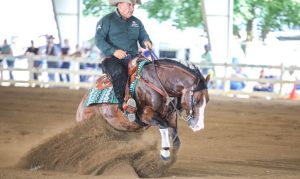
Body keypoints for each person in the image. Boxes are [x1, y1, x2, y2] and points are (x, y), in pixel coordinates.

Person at [95, 0, 152, 121]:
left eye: (133, 5)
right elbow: (99, 40)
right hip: (112, 59)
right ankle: (124, 105)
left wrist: (146, 41)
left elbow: (143, 36)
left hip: (133, 58)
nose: (132, 8)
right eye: (129, 4)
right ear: (119, 4)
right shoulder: (107, 20)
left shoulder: (136, 22)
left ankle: (151, 103)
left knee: (150, 70)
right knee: (119, 72)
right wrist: (113, 51)